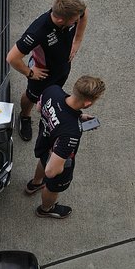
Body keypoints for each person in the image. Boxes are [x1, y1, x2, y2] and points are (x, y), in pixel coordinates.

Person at [7, 0, 88, 141]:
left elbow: (84, 13)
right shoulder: (38, 31)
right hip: (42, 73)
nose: (77, 21)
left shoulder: (73, 13)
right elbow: (12, 58)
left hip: (62, 68)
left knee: (55, 93)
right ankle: (24, 116)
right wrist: (30, 73)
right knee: (31, 96)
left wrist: (77, 41)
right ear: (60, 20)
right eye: (74, 21)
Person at [25, 75, 105, 219]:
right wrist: (60, 167)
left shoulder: (53, 90)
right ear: (88, 103)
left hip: (44, 141)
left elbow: (39, 108)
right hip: (57, 154)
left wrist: (78, 117)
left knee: (44, 160)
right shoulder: (71, 134)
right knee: (52, 186)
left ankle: (35, 184)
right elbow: (50, 172)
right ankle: (46, 209)